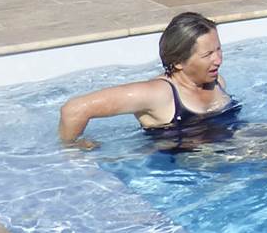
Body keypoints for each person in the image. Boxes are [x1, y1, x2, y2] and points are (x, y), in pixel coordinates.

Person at [57, 11, 240, 147]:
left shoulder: (217, 83)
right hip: (192, 167)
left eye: (218, 49)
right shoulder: (157, 94)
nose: (218, 59)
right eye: (208, 54)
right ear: (178, 62)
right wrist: (72, 148)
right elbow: (74, 110)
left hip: (229, 148)